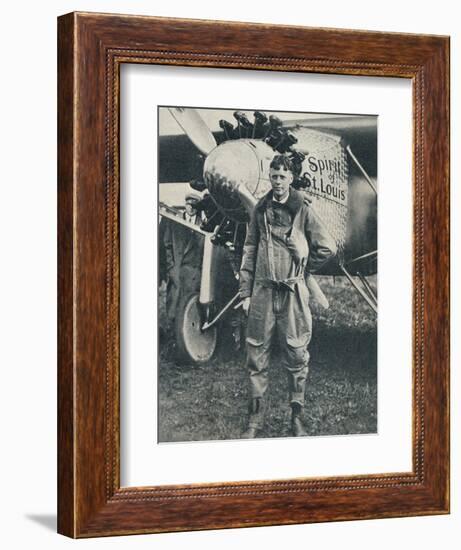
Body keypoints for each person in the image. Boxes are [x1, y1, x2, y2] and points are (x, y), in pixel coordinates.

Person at [239, 154, 337, 438]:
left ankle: (297, 418)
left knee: (296, 354)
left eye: (283, 177)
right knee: (256, 355)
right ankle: (254, 422)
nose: (278, 182)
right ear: (269, 177)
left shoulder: (302, 209)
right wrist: (246, 292)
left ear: (291, 178)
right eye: (274, 176)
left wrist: (304, 270)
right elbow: (249, 250)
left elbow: (326, 247)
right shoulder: (259, 210)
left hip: (292, 293)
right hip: (262, 293)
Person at [163, 192, 204, 327]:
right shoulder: (175, 222)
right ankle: (170, 335)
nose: (191, 208)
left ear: (198, 208)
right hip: (177, 270)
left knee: (188, 306)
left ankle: (185, 336)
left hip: (193, 273)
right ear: (185, 205)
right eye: (188, 204)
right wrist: (171, 267)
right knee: (173, 304)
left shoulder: (203, 225)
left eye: (194, 205)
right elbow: (167, 244)